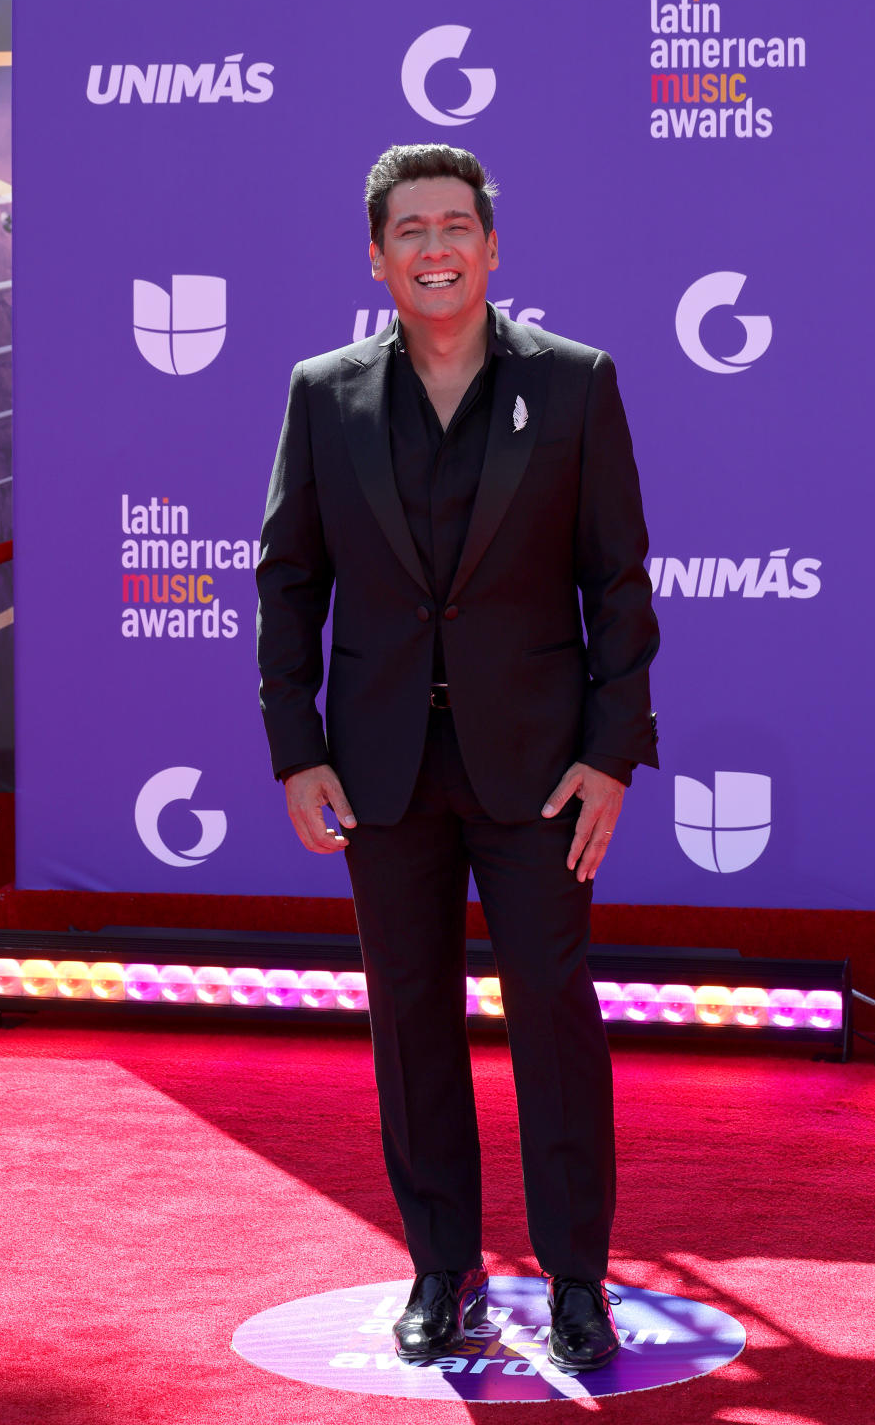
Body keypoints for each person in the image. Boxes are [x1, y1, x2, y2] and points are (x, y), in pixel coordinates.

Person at [256, 143, 659, 1372]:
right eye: (410, 229)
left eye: (455, 226)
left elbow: (619, 587)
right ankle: (444, 1268)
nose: (435, 246)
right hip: (380, 769)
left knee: (553, 1011)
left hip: (537, 768)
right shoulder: (323, 394)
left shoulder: (577, 385)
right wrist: (296, 751)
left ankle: (578, 1281)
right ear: (376, 257)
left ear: (492, 247)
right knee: (410, 1017)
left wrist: (610, 759)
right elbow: (290, 584)